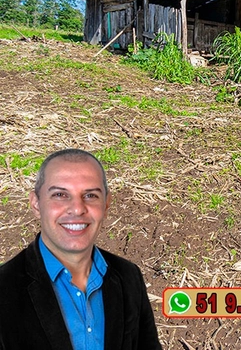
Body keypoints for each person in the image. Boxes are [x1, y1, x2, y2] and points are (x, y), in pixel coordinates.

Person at [0, 149, 162, 350]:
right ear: (36, 204)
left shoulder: (129, 277)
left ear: (106, 204)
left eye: (90, 195)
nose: (77, 209)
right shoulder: (4, 289)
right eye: (60, 194)